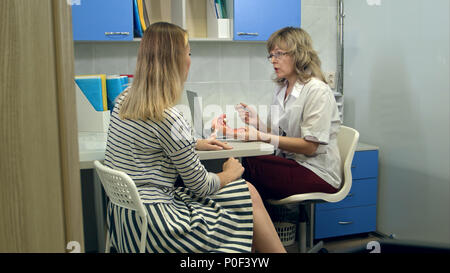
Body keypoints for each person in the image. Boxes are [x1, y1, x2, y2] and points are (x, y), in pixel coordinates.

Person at [104, 22, 285, 253]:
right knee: (245, 192)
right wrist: (230, 173)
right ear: (176, 61)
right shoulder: (168, 117)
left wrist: (195, 143)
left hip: (126, 225)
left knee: (243, 196)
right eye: (188, 53)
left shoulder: (123, 99)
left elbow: (151, 141)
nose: (190, 60)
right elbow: (201, 186)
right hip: (159, 228)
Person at [234, 27, 342, 200]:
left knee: (246, 166)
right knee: (242, 162)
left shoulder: (317, 90)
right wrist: (258, 124)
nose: (273, 61)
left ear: (299, 54)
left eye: (279, 54)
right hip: (293, 163)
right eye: (271, 55)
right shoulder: (282, 88)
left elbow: (310, 146)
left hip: (317, 172)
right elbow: (281, 135)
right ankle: (262, 222)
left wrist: (262, 136)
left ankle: (258, 224)